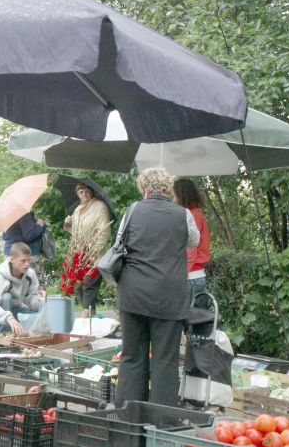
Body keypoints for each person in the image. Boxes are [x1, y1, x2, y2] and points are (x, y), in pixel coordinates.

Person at [114, 167, 200, 408]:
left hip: (132, 296)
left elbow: (120, 241)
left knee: (132, 357)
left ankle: (127, 419)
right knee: (165, 361)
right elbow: (193, 241)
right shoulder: (183, 215)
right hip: (169, 297)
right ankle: (161, 423)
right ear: (168, 190)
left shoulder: (132, 211)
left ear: (146, 189)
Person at [63, 182, 111, 317]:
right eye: (81, 192)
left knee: (89, 286)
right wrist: (68, 225)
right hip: (79, 256)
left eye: (86, 191)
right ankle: (92, 319)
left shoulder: (100, 207)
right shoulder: (78, 209)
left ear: (92, 192)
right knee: (81, 289)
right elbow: (76, 233)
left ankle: (83, 321)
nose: (84, 194)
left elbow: (104, 232)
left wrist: (92, 252)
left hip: (94, 257)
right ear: (77, 193)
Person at [0, 242, 47, 334]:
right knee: (6, 297)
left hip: (12, 310)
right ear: (12, 259)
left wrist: (41, 300)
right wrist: (9, 318)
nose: (27, 264)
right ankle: (0, 337)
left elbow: (30, 301)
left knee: (39, 319)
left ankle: (16, 334)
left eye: (29, 260)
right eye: (23, 261)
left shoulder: (30, 274)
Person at [173, 178, 210, 297]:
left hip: (191, 277)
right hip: (193, 276)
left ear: (181, 195)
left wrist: (180, 276)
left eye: (174, 196)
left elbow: (191, 250)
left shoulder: (193, 216)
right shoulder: (195, 213)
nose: (173, 200)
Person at [3, 212, 46, 289]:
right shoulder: (23, 214)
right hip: (26, 254)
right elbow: (29, 235)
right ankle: (37, 301)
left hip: (10, 254)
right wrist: (39, 225)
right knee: (35, 286)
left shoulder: (8, 214)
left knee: (13, 286)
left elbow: (4, 235)